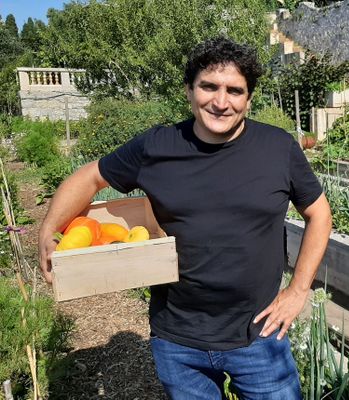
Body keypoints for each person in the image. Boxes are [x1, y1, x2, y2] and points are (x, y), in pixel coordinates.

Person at [38, 36, 332, 399]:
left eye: (234, 91)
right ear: (189, 91)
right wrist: (48, 230)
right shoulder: (156, 146)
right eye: (209, 86)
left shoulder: (277, 148)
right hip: (178, 341)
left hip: (258, 336)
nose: (221, 102)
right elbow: (91, 176)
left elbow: (319, 213)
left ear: (248, 98)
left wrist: (298, 290)